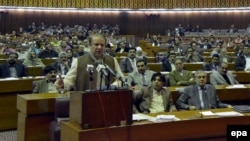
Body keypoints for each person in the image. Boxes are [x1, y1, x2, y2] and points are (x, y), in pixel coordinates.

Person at [56, 33, 124, 91]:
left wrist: (115, 84)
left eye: (102, 45)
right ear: (90, 45)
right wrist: (63, 84)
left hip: (108, 99)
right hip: (85, 101)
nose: (99, 47)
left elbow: (121, 79)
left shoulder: (112, 60)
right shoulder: (79, 61)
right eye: (96, 44)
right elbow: (70, 80)